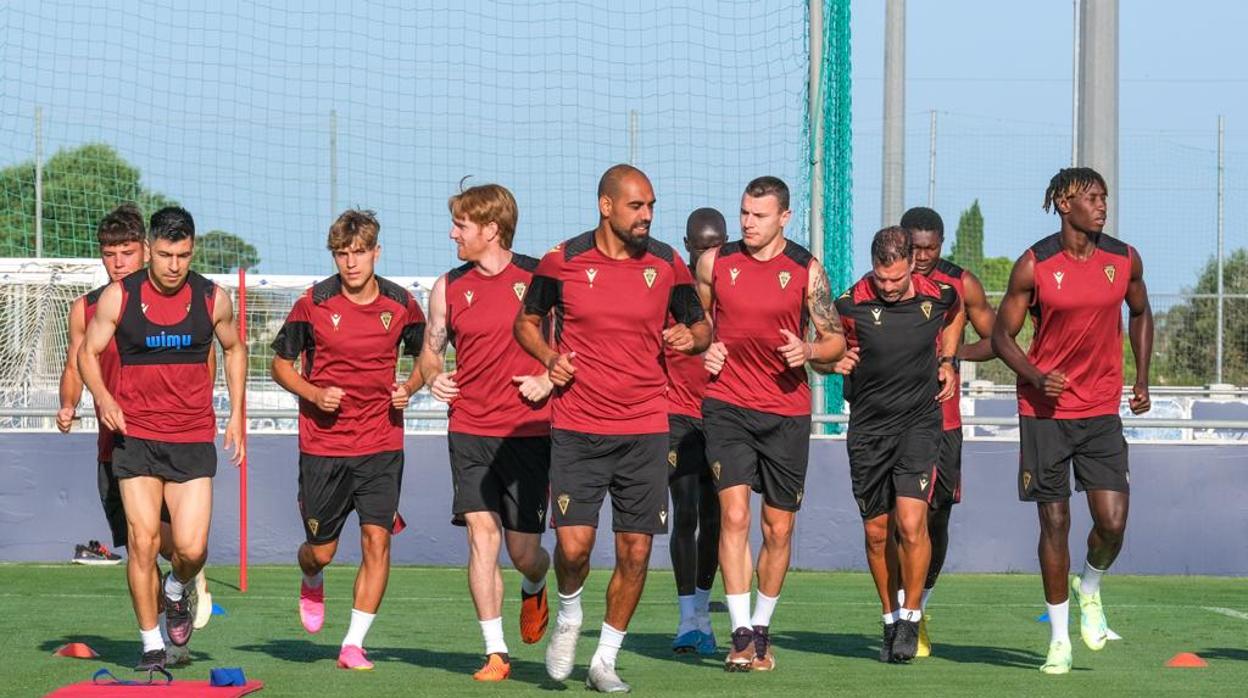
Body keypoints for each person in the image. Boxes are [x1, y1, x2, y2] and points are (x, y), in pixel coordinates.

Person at [514, 164, 710, 692]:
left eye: (651, 206)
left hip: (647, 426)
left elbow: (701, 323)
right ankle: (570, 615)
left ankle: (604, 659)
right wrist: (549, 357)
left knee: (637, 550)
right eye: (635, 206)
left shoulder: (669, 263)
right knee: (574, 549)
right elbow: (526, 322)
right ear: (606, 206)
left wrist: (692, 339)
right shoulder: (564, 260)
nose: (646, 215)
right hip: (578, 426)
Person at [991, 168, 1152, 675]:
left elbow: (1142, 313)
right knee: (1054, 522)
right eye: (1091, 198)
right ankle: (1059, 641)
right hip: (1045, 415)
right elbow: (1001, 336)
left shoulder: (1123, 258)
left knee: (1113, 522)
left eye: (1104, 197)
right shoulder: (1034, 264)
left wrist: (1141, 377)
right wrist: (1036, 376)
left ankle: (1092, 587)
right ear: (1064, 203)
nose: (1102, 205)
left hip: (1101, 409)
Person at [79, 206, 246, 671]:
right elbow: (87, 354)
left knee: (191, 549)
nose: (175, 266)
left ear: (194, 251)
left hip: (192, 438)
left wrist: (236, 414)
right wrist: (104, 397)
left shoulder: (213, 299)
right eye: (167, 254)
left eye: (185, 255)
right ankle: (151, 645)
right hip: (135, 438)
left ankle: (176, 591)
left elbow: (234, 350)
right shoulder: (119, 297)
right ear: (150, 249)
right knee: (143, 541)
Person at [695, 176, 846, 672]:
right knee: (734, 517)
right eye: (743, 213)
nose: (746, 223)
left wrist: (808, 350)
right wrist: (706, 347)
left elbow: (835, 343)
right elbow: (696, 326)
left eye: (758, 215)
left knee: (777, 529)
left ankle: (761, 629)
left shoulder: (807, 270)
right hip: (727, 406)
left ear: (784, 218)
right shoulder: (716, 263)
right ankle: (738, 633)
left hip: (785, 412)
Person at [271, 209, 426, 671]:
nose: (351, 263)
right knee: (323, 551)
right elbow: (280, 365)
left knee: (377, 540)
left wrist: (409, 389)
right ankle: (311, 576)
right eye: (342, 254)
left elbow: (428, 359)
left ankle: (353, 644)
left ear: (376, 252)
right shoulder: (312, 303)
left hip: (381, 444)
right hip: (324, 447)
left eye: (359, 253)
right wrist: (314, 392)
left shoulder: (402, 304)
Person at [421, 183, 554, 682]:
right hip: (471, 431)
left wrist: (547, 377)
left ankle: (535, 584)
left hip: (529, 432)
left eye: (462, 225)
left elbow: (577, 344)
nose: (453, 233)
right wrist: (434, 375)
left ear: (491, 230)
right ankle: (496, 651)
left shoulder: (541, 278)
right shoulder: (448, 287)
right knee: (482, 536)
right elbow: (431, 349)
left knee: (524, 554)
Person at [832, 226, 964, 663]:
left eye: (896, 278)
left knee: (911, 523)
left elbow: (958, 312)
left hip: (919, 426)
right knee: (876, 533)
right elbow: (826, 347)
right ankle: (889, 619)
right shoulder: (849, 304)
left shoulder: (939, 294)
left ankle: (911, 615)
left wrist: (947, 360)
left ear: (911, 263)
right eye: (880, 278)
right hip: (868, 430)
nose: (887, 287)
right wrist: (834, 359)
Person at [897, 206, 997, 656]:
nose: (921, 257)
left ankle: (918, 612)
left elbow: (999, 338)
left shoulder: (960, 283)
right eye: (914, 248)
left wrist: (954, 358)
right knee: (896, 521)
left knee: (936, 518)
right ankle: (898, 614)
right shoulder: (883, 278)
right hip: (891, 419)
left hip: (943, 421)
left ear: (941, 245)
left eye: (930, 249)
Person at [667, 208, 727, 656]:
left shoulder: (734, 289)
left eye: (717, 244)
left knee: (716, 518)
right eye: (703, 244)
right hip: (676, 416)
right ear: (687, 245)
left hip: (724, 417)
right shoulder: (673, 293)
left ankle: (703, 613)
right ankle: (687, 615)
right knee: (684, 513)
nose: (710, 251)